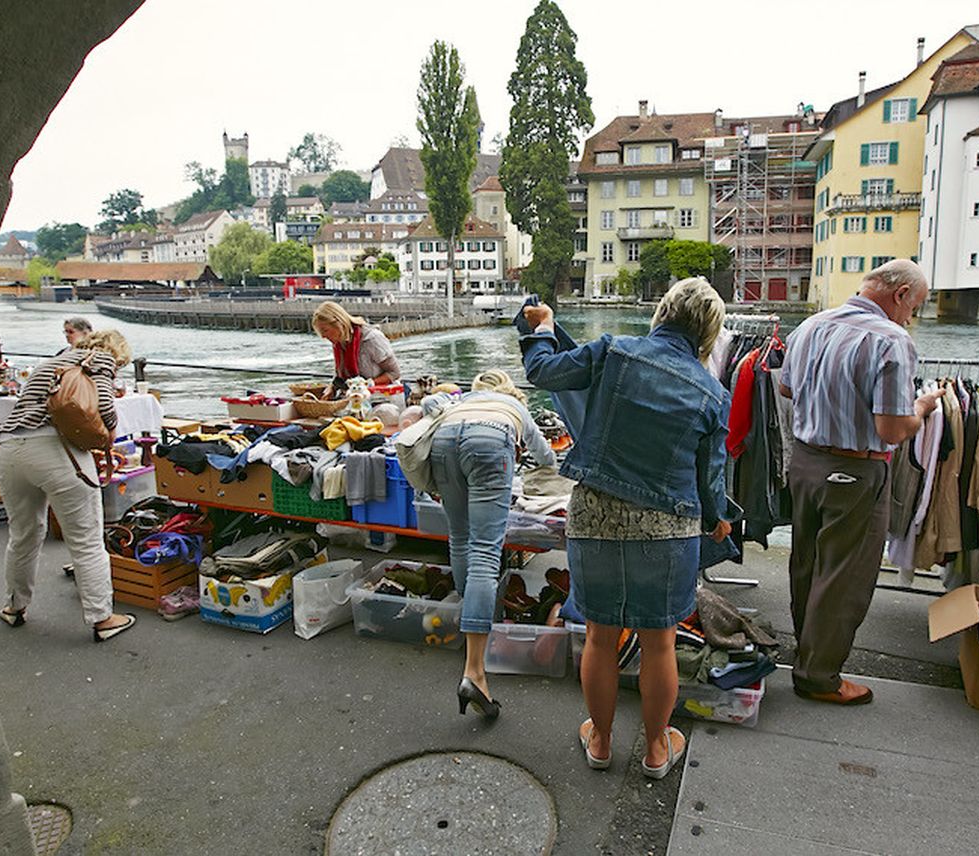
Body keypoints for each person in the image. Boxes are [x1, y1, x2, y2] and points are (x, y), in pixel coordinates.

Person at [522, 277, 732, 780]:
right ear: (709, 331)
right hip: (667, 529)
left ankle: (601, 740)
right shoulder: (712, 391)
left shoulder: (613, 351)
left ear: (662, 311)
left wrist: (544, 328)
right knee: (660, 642)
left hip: (596, 514)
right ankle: (657, 747)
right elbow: (710, 474)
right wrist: (717, 517)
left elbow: (541, 372)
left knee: (599, 636)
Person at [777, 259, 941, 706]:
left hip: (807, 462)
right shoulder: (892, 339)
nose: (912, 317)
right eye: (916, 307)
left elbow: (787, 389)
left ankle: (806, 651)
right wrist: (923, 407)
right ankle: (819, 676)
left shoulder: (810, 325)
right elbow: (892, 429)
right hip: (855, 469)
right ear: (900, 294)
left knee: (806, 563)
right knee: (844, 576)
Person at [426, 370, 557, 719]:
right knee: (486, 551)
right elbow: (545, 456)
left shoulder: (462, 401)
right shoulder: (513, 405)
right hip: (489, 443)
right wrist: (550, 465)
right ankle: (475, 672)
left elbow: (429, 402)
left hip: (444, 440)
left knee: (459, 536)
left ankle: (471, 619)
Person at [0, 329, 136, 642]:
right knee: (86, 538)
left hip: (10, 450)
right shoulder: (101, 360)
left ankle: (14, 606)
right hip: (56, 451)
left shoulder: (53, 362)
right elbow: (103, 407)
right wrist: (108, 435)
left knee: (23, 535)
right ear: (116, 353)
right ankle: (103, 618)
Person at [311, 301, 401, 397]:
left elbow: (394, 373)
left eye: (325, 330)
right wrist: (332, 387)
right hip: (352, 396)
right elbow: (340, 375)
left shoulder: (372, 339)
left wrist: (367, 385)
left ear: (339, 323)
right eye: (320, 332)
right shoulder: (338, 342)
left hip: (379, 396)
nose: (323, 336)